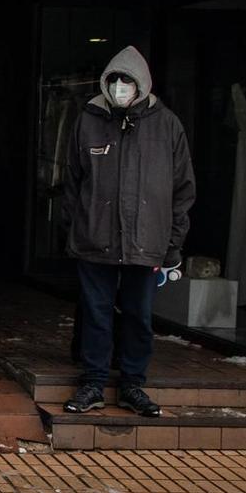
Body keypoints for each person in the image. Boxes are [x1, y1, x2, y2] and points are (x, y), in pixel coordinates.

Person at [62, 45, 196, 418]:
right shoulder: (88, 120)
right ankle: (93, 381)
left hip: (146, 243)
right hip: (94, 240)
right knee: (96, 312)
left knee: (138, 315)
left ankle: (133, 384)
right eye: (115, 80)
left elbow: (182, 188)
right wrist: (75, 228)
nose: (121, 87)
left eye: (128, 81)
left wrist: (173, 243)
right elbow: (72, 182)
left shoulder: (166, 125)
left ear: (142, 84)